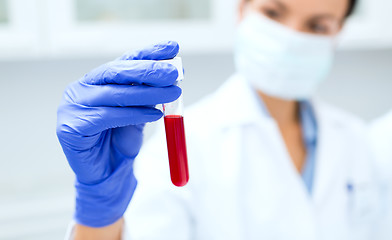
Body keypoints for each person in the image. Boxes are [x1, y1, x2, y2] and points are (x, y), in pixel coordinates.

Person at [57, 0, 381, 239]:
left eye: (317, 25)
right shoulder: (181, 147)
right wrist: (98, 213)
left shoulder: (356, 140)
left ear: (338, 32)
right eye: (273, 13)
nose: (291, 37)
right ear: (241, 10)